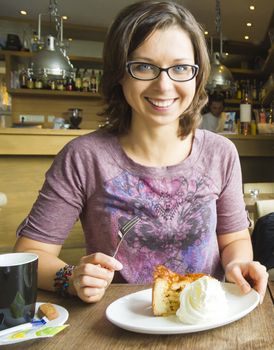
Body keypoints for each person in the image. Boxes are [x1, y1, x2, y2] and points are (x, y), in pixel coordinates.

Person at [14, 0, 268, 304]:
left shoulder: (221, 153)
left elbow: (235, 239)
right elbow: (30, 253)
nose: (164, 85)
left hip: (203, 316)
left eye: (181, 68)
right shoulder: (83, 157)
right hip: (115, 325)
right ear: (119, 73)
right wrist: (71, 277)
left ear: (197, 75)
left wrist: (236, 264)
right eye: (144, 66)